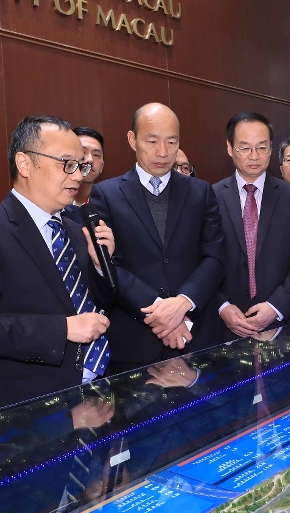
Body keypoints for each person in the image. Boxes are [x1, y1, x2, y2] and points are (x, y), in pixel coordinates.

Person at [0, 117, 117, 414]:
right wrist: (61, 329)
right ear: (25, 164)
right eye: (67, 164)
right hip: (25, 409)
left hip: (96, 395)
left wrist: (101, 265)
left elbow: (97, 306)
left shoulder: (76, 230)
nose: (78, 175)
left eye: (81, 166)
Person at [89, 104, 225, 368]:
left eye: (171, 142)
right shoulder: (105, 194)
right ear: (132, 140)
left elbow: (215, 257)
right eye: (152, 141)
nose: (163, 152)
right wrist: (159, 310)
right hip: (135, 341)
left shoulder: (201, 192)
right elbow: (108, 264)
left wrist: (183, 303)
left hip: (197, 335)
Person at [213, 113, 290, 337]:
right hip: (226, 325)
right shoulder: (212, 196)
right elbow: (204, 259)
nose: (254, 156)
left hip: (282, 324)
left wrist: (276, 307)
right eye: (245, 148)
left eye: (261, 147)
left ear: (270, 148)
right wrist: (222, 306)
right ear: (229, 148)